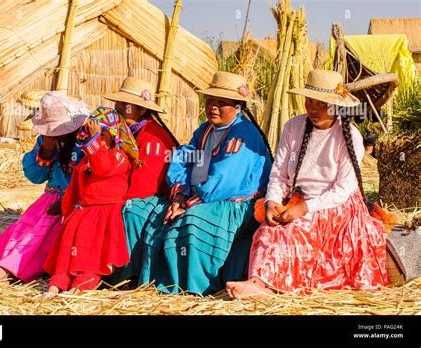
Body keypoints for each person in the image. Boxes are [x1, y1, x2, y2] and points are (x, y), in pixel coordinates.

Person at [226, 70, 390, 300]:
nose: (312, 108)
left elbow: (342, 190)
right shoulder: (293, 127)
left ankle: (266, 284)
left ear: (335, 106)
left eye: (320, 103)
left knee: (296, 230)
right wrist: (273, 200)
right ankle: (257, 281)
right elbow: (279, 174)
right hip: (296, 199)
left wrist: (304, 209)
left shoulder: (349, 136)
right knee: (267, 231)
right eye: (309, 101)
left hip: (334, 205)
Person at [125, 71, 273, 295]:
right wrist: (178, 194)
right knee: (139, 211)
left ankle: (191, 288)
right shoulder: (205, 130)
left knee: (192, 222)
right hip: (196, 196)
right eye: (210, 100)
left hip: (234, 204)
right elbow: (183, 158)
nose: (213, 107)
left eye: (221, 103)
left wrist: (187, 204)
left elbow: (223, 180)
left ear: (238, 107)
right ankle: (136, 278)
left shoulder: (242, 136)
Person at [0, 91, 89, 284]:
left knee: (42, 234)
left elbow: (92, 177)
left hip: (77, 202)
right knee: (24, 227)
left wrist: (67, 201)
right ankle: (9, 270)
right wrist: (46, 150)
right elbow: (34, 176)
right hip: (49, 199)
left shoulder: (84, 141)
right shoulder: (46, 140)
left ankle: (6, 272)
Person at [43, 107, 139, 296]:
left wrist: (94, 142)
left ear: (113, 135)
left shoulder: (119, 157)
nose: (98, 139)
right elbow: (75, 188)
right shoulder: (87, 159)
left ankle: (81, 287)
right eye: (94, 135)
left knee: (92, 256)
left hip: (104, 214)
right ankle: (56, 284)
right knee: (67, 252)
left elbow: (102, 167)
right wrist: (67, 211)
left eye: (103, 134)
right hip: (82, 213)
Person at [102, 77, 177, 284]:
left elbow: (144, 187)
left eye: (123, 105)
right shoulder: (122, 134)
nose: (117, 108)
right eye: (117, 103)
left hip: (154, 196)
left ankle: (123, 275)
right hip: (127, 192)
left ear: (142, 110)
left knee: (130, 211)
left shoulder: (153, 138)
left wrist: (110, 202)